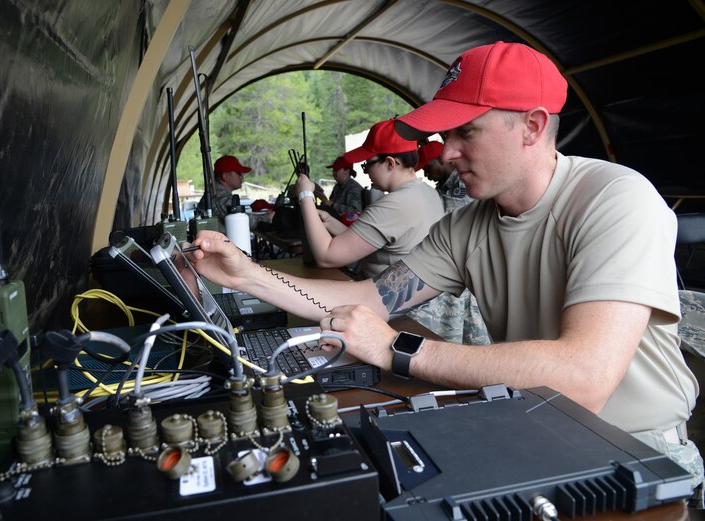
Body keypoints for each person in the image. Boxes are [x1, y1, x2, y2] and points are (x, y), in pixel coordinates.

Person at [188, 41, 703, 500]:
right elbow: (370, 300)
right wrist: (248, 276)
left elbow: (585, 379)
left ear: (533, 126)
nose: (447, 152)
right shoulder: (471, 222)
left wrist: (396, 348)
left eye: (466, 132)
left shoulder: (615, 199)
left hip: (635, 447)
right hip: (535, 422)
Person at [294, 119, 444, 278]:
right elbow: (367, 240)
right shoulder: (428, 193)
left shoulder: (394, 205)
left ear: (390, 163)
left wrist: (305, 195)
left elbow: (326, 257)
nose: (366, 173)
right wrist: (329, 222)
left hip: (385, 298)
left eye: (367, 166)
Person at [407, 140, 490, 345]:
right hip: (458, 270)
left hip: (464, 272)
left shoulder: (461, 187)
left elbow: (446, 226)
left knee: (467, 341)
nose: (426, 174)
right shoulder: (443, 186)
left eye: (428, 167)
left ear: (442, 161)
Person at [196, 155, 273, 232]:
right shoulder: (218, 196)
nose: (242, 177)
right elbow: (242, 221)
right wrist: (267, 217)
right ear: (225, 176)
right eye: (239, 173)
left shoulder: (216, 193)